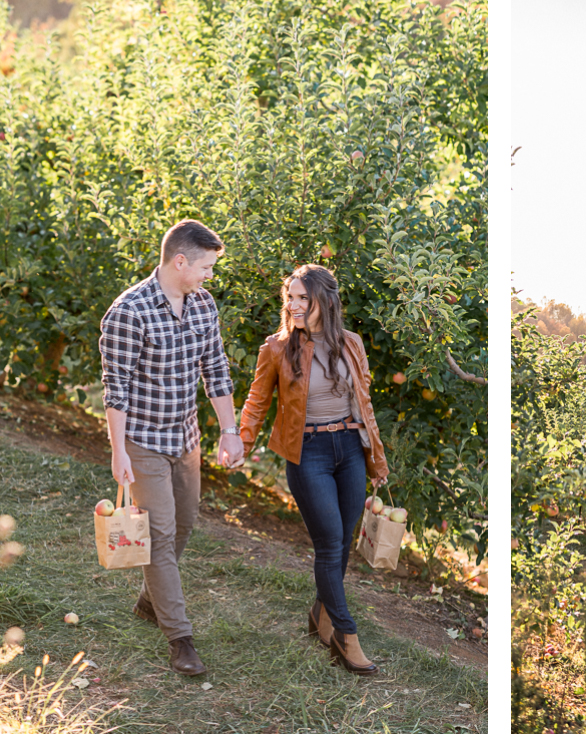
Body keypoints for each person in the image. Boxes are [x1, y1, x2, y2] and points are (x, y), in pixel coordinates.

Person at [99, 219, 244, 676]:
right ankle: (180, 639)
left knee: (183, 525)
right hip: (142, 441)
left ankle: (150, 601)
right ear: (180, 261)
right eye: (206, 267)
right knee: (160, 534)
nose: (210, 276)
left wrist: (229, 430)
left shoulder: (203, 304)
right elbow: (115, 388)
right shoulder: (128, 312)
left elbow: (216, 369)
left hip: (184, 437)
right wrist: (118, 450)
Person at [239, 263, 389, 676]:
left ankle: (319, 616)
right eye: (291, 296)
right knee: (329, 543)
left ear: (325, 300)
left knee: (342, 547)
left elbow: (365, 404)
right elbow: (256, 400)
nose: (294, 304)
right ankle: (346, 633)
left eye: (303, 297)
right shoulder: (277, 347)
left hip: (350, 449)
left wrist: (376, 457)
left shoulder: (352, 344)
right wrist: (242, 441)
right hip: (308, 453)